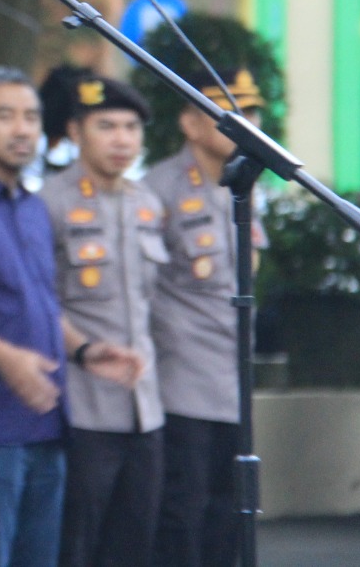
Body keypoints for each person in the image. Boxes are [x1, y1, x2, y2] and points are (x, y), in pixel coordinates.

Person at [0, 68, 139, 567]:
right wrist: (5, 358)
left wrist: (86, 351)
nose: (22, 129)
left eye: (31, 117)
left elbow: (41, 305)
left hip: (48, 425)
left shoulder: (33, 207)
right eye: (5, 116)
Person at [42, 76, 164, 567]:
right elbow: (38, 304)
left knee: (134, 546)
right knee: (76, 546)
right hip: (83, 408)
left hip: (145, 408)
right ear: (75, 131)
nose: (122, 140)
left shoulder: (148, 205)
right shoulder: (49, 203)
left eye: (132, 128)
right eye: (106, 126)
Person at [147, 68, 267, 567]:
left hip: (232, 380)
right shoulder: (159, 189)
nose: (249, 123)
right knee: (183, 515)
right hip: (181, 382)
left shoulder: (244, 186)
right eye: (232, 114)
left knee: (230, 513)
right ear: (192, 122)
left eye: (253, 112)